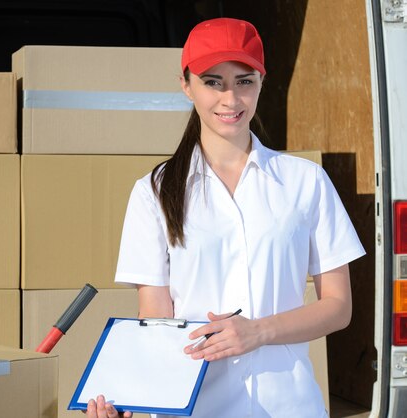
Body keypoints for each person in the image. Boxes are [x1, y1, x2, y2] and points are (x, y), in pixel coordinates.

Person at [85, 17, 365, 418]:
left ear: (262, 83)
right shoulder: (154, 192)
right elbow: (156, 317)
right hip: (195, 408)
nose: (230, 99)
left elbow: (338, 307)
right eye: (212, 81)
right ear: (186, 85)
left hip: (288, 406)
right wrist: (132, 396)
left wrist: (258, 331)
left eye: (244, 81)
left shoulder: (306, 181)